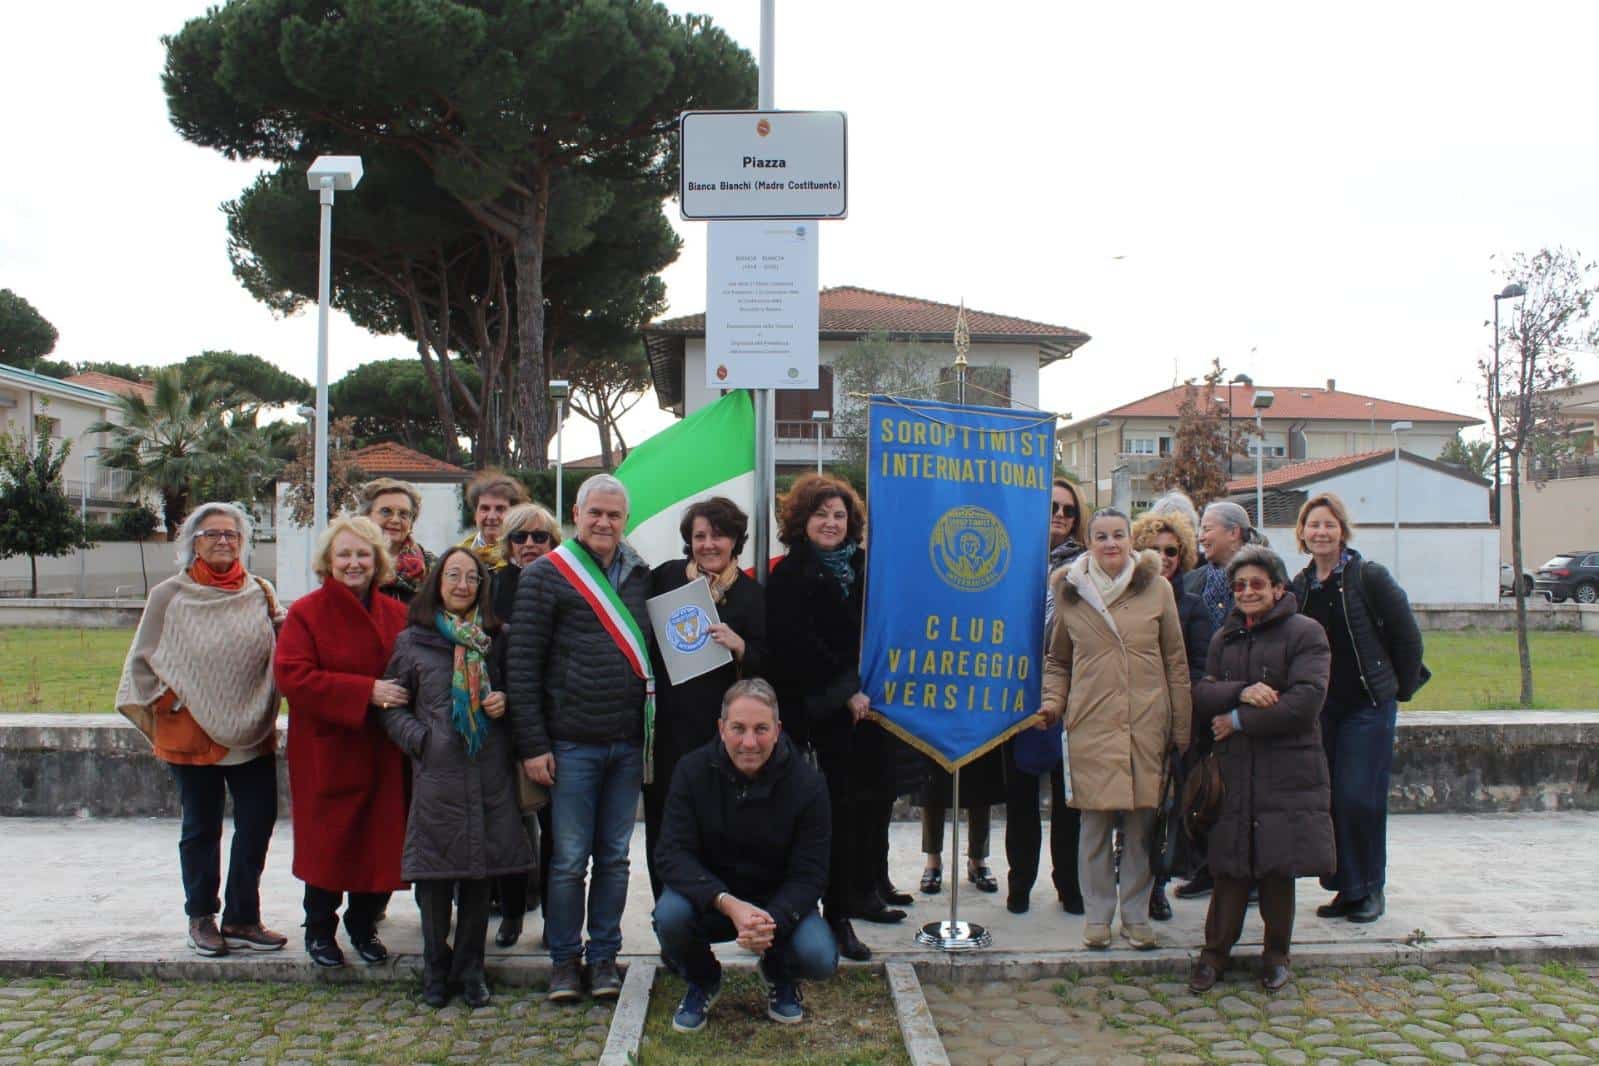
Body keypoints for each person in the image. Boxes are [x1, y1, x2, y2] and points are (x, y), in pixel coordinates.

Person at [115, 502, 288, 957]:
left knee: (257, 822)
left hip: (251, 726)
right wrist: (173, 702)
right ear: (193, 540)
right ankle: (201, 917)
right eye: (212, 533)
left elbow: (283, 643)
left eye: (232, 534)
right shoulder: (170, 594)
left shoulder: (260, 592)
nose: (223, 541)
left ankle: (242, 917)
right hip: (190, 729)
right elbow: (142, 659)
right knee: (201, 826)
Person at [508, 474, 651, 1003]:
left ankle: (604, 957)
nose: (605, 522)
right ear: (576, 512)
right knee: (568, 859)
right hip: (569, 744)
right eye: (596, 513)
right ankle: (564, 962)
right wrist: (532, 744)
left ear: (626, 520)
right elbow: (522, 665)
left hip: (627, 742)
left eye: (614, 515)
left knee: (614, 857)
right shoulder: (546, 575)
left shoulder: (641, 576)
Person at [380, 548, 533, 1008]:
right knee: (434, 880)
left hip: (488, 773)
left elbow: (518, 695)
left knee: (477, 878)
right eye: (454, 576)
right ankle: (434, 967)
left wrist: (502, 703)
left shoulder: (497, 638)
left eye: (472, 577)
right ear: (438, 582)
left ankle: (471, 969)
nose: (463, 584)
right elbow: (391, 707)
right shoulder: (413, 642)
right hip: (438, 776)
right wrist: (421, 739)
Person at [1040, 508, 1192, 952]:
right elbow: (1058, 660)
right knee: (1094, 827)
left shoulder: (1158, 588)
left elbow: (1176, 662)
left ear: (1131, 540)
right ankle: (1098, 917)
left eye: (1118, 535)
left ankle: (1137, 916)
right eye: (1101, 536)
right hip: (1091, 723)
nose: (1110, 543)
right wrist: (1054, 703)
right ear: (1088, 542)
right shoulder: (1070, 593)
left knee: (1143, 826)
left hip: (1146, 722)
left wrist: (1180, 726)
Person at [655, 679, 837, 1033]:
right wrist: (727, 904)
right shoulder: (690, 772)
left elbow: (811, 874)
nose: (749, 742)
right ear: (721, 728)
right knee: (669, 916)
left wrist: (769, 921)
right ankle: (703, 979)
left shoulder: (808, 784)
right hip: (712, 902)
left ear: (778, 730)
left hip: (776, 906)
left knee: (820, 958)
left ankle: (778, 972)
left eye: (761, 729)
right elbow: (671, 854)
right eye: (738, 728)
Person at [1190, 546, 1333, 993]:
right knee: (1230, 867)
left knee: (1277, 867)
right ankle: (1214, 955)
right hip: (1235, 772)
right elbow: (1202, 694)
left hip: (1286, 769)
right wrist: (1243, 691)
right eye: (1239, 586)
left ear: (1277, 588)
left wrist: (1236, 719)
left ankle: (1276, 954)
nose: (1247, 592)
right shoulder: (1223, 639)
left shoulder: (1305, 633)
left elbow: (1303, 702)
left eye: (1256, 584)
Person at [274, 516, 410, 968]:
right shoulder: (306, 612)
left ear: (378, 562)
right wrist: (363, 691)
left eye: (363, 554)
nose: (354, 563)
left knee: (380, 845)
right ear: (328, 561)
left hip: (385, 750)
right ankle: (319, 930)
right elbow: (293, 676)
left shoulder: (396, 614)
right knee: (330, 844)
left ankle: (364, 925)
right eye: (345, 554)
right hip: (330, 747)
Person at [765, 473, 890, 963]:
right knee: (809, 822)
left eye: (839, 515)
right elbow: (794, 647)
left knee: (852, 818)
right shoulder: (788, 574)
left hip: (866, 715)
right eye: (821, 514)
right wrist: (844, 693)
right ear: (802, 519)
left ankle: (841, 914)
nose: (831, 522)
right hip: (812, 714)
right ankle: (795, 915)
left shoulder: (867, 568)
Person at [1289, 492, 1424, 926]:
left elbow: (1407, 636)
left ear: (1342, 531)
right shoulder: (1303, 585)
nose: (1321, 533)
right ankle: (1347, 888)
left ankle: (1370, 887)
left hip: (1367, 705)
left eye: (1329, 525)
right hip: (1324, 709)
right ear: (1302, 534)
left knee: (1359, 798)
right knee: (1331, 800)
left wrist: (1396, 689)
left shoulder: (1369, 577)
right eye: (1314, 526)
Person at [644, 497, 767, 900]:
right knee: (666, 822)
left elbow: (774, 666)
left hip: (724, 736)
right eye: (699, 536)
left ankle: (721, 909)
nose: (709, 544)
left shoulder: (751, 595)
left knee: (721, 825)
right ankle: (668, 911)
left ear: (735, 540)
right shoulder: (665, 579)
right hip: (669, 730)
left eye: (719, 535)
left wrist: (742, 647)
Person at [1003, 479, 1087, 916]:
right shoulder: (1015, 557)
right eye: (1052, 506)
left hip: (1073, 693)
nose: (1059, 515)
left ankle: (1069, 886)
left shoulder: (1088, 566)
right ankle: (1019, 884)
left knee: (1068, 800)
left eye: (1068, 510)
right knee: (1021, 800)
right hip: (1019, 690)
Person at [1130, 510, 1214, 922]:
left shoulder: (1194, 607)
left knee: (1164, 811)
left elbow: (1201, 667)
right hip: (1125, 719)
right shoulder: (1124, 598)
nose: (1163, 558)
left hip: (1170, 722)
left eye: (1171, 551)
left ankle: (1156, 887)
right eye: (1154, 550)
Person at [487, 501, 563, 948]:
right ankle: (512, 914)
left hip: (557, 722)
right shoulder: (492, 588)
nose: (530, 544)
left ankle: (557, 920)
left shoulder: (568, 583)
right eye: (521, 537)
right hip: (505, 722)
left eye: (540, 537)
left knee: (559, 834)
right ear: (507, 543)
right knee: (510, 827)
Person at [1176, 499, 1253, 900]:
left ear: (1235, 532)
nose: (1202, 535)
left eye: (1208, 527)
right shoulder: (1196, 580)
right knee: (1202, 789)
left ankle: (1248, 875)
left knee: (1244, 794)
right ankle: (1204, 867)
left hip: (1247, 703)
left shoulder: (1261, 576)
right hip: (1201, 701)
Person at [358, 477, 434, 603]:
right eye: (386, 511)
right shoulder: (352, 562)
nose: (395, 520)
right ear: (367, 516)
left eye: (403, 514)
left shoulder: (431, 566)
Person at [458, 470, 529, 572]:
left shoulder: (525, 556)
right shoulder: (459, 554)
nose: (491, 516)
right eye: (485, 508)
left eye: (500, 509)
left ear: (515, 515)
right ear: (475, 514)